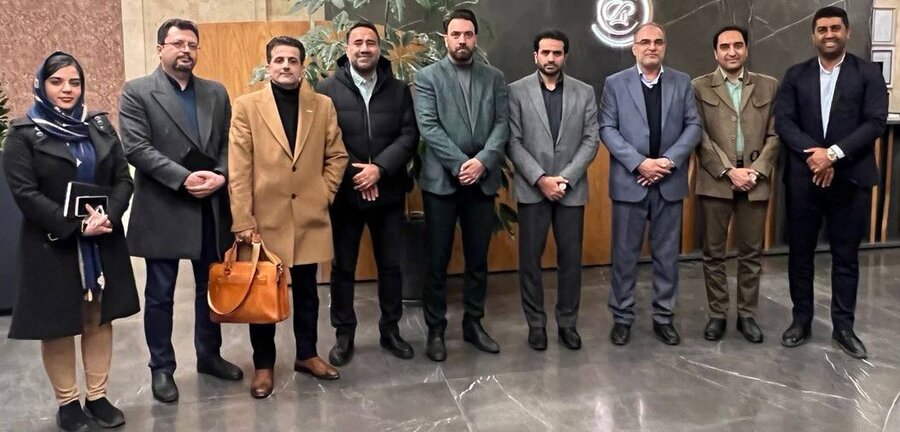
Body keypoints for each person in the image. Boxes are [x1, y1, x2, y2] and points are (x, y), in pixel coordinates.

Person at [3, 52, 140, 431]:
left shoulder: (99, 126)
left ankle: (97, 397)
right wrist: (77, 226)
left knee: (98, 316)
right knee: (59, 323)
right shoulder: (23, 134)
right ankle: (68, 403)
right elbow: (25, 193)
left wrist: (109, 215)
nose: (67, 89)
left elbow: (123, 179)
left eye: (74, 82)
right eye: (57, 82)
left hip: (102, 240)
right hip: (53, 244)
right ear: (41, 85)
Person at [119, 18, 242, 403]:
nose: (185, 50)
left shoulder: (215, 92)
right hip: (164, 206)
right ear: (160, 49)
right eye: (177, 44)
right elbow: (136, 148)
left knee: (211, 287)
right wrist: (184, 178)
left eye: (191, 44)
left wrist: (221, 174)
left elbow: (227, 143)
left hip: (209, 205)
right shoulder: (138, 91)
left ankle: (209, 356)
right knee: (160, 295)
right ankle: (162, 368)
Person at [229, 36, 348, 398]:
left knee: (308, 291)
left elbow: (337, 155)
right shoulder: (247, 107)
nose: (285, 66)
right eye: (279, 60)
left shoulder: (322, 105)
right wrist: (243, 220)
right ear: (268, 66)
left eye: (292, 60)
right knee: (262, 294)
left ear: (301, 67)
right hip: (264, 221)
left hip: (309, 216)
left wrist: (323, 194)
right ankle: (264, 365)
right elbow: (238, 169)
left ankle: (307, 355)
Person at [775, 6, 888, 359]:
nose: (829, 34)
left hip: (850, 179)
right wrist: (816, 156)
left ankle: (843, 328)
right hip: (804, 179)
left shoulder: (867, 74)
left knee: (846, 257)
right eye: (822, 29)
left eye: (835, 28)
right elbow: (784, 122)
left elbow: (875, 122)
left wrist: (834, 155)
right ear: (813, 35)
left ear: (847, 32)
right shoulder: (795, 75)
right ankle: (801, 321)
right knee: (800, 255)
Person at [316, 21, 419, 366]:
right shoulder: (326, 90)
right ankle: (344, 334)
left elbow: (409, 135)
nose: (364, 48)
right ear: (347, 49)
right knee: (343, 267)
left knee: (391, 265)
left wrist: (380, 169)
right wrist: (358, 173)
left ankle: (390, 330)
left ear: (379, 48)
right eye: (357, 42)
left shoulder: (398, 89)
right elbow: (324, 140)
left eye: (371, 42)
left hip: (388, 193)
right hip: (346, 196)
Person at [413, 8, 510, 362]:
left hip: (481, 181)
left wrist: (482, 162)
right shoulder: (427, 77)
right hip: (442, 183)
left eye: (468, 34)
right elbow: (428, 126)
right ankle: (436, 330)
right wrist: (460, 164)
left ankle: (473, 323)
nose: (462, 41)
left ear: (475, 37)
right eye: (456, 35)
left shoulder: (494, 77)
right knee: (437, 260)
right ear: (446, 38)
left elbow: (502, 124)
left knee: (477, 259)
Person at [599, 22, 701, 346]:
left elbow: (694, 126)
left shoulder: (682, 82)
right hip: (630, 182)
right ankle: (622, 317)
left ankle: (663, 317)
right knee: (624, 256)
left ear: (664, 47)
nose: (651, 47)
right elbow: (607, 128)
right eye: (645, 42)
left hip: (669, 182)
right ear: (634, 48)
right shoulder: (615, 83)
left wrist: (668, 162)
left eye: (658, 42)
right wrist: (639, 163)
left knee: (667, 255)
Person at [507, 29, 599, 351]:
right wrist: (541, 179)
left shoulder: (584, 92)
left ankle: (567, 324)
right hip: (532, 189)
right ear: (535, 55)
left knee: (570, 261)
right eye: (545, 52)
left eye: (556, 53)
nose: (550, 58)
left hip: (570, 190)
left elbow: (591, 140)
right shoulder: (516, 91)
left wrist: (565, 179)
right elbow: (512, 141)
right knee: (530, 261)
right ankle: (536, 325)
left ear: (565, 56)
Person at [692, 26, 780, 343]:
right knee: (713, 253)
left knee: (751, 253)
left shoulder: (768, 85)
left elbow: (776, 134)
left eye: (738, 45)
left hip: (755, 181)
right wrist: (728, 170)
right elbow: (698, 135)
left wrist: (756, 171)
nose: (732, 51)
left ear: (746, 50)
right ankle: (717, 314)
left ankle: (747, 315)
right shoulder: (698, 86)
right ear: (715, 53)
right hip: (716, 180)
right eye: (725, 46)